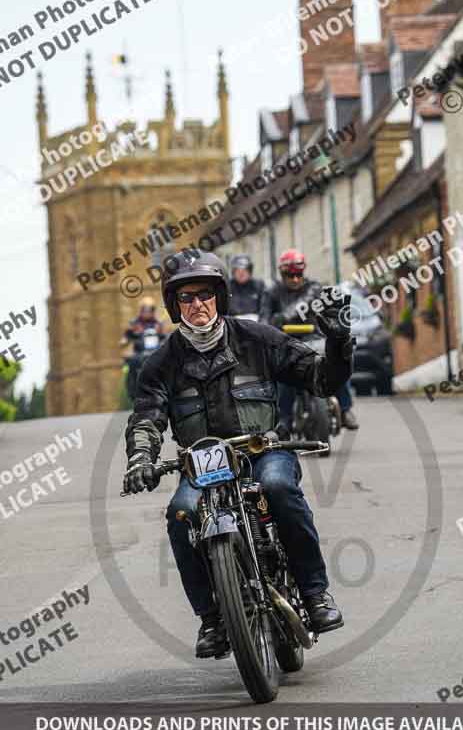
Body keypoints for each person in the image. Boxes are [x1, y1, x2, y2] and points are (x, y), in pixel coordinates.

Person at [123, 250, 353, 658]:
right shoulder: (160, 364)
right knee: (181, 514)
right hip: (202, 463)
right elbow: (147, 419)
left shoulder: (259, 339)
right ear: (174, 305)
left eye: (205, 294)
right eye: (186, 298)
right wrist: (141, 459)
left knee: (279, 488)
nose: (197, 305)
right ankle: (211, 619)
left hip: (262, 450)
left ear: (221, 297)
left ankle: (316, 594)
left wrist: (337, 343)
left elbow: (321, 379)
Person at [260, 249, 359, 433]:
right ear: (283, 274)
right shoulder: (271, 292)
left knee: (338, 363)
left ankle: (345, 410)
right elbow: (263, 319)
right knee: (283, 377)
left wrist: (283, 317)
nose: (295, 279)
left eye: (298, 275)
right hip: (285, 341)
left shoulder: (314, 288)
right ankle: (284, 420)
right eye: (290, 275)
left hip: (315, 338)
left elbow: (306, 305)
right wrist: (269, 327)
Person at [120, 297, 166, 400]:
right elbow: (126, 337)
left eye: (150, 309)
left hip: (155, 353)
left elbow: (164, 337)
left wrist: (164, 339)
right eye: (145, 309)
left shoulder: (158, 324)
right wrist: (126, 339)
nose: (147, 312)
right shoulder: (134, 324)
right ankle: (133, 393)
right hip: (140, 353)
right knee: (131, 364)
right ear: (141, 310)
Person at [227, 254, 265, 319]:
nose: (241, 274)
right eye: (238, 271)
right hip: (233, 323)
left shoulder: (259, 285)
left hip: (255, 324)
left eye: (244, 270)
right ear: (233, 272)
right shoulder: (228, 286)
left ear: (250, 271)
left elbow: (265, 309)